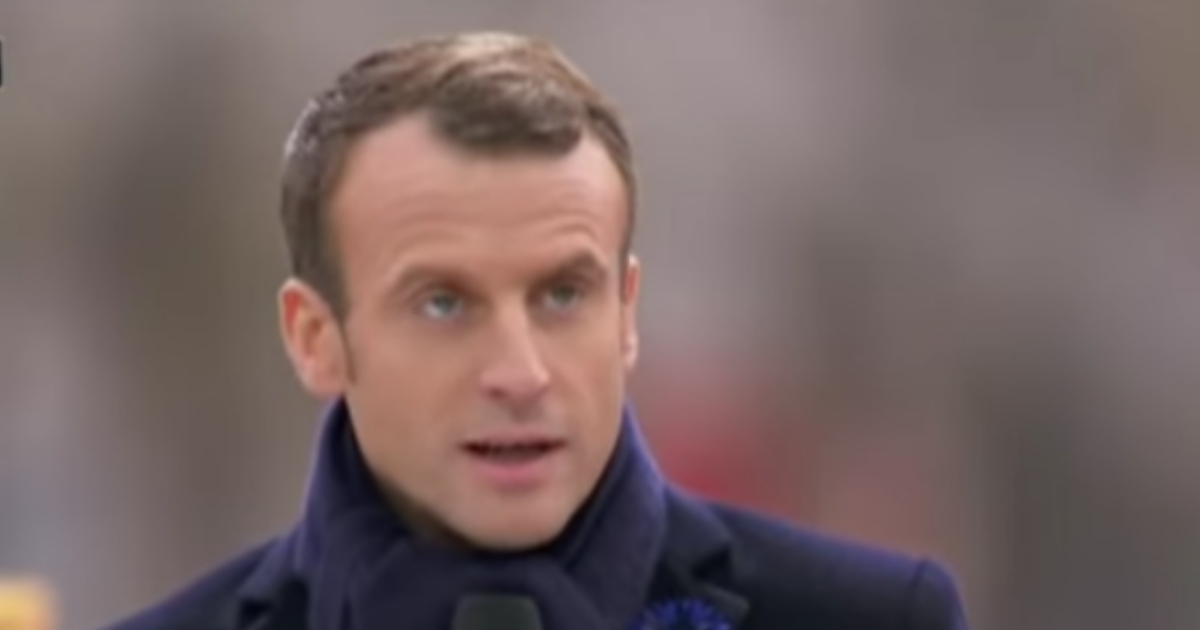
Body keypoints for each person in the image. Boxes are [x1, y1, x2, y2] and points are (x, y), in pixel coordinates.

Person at [102, 31, 969, 630]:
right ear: (314, 337)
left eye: (561, 296)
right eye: (443, 303)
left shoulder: (866, 621)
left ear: (627, 313)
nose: (520, 374)